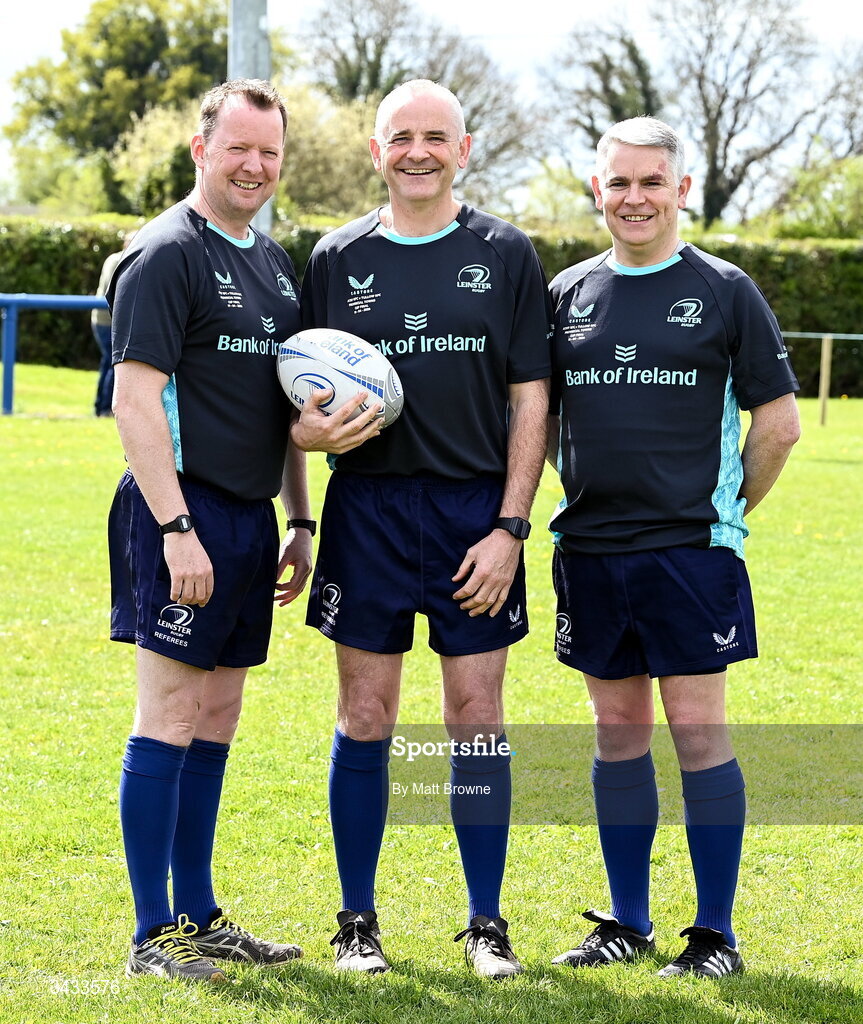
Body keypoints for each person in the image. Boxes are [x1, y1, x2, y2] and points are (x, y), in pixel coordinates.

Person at [289, 79, 552, 979]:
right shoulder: (333, 256)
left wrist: (511, 526)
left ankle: (485, 924)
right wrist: (303, 450)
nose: (417, 151)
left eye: (435, 136)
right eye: (400, 136)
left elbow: (532, 398)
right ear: (375, 150)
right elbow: (292, 395)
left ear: (465, 148)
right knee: (365, 716)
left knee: (475, 717)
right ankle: (356, 921)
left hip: (475, 514)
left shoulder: (507, 253)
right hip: (366, 508)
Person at [547, 116, 800, 978]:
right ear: (595, 190)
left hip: (689, 556)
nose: (634, 197)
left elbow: (778, 425)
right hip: (588, 551)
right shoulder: (566, 294)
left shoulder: (725, 290)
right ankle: (627, 921)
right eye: (617, 182)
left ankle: (714, 935)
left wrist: (726, 510)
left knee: (698, 736)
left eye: (651, 181)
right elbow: (539, 421)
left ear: (680, 189)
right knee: (616, 736)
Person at [107, 78, 313, 983]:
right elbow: (136, 398)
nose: (255, 166)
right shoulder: (166, 254)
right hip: (180, 512)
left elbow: (291, 404)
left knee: (219, 715)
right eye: (239, 148)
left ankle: (199, 914)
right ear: (201, 149)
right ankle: (156, 936)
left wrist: (299, 516)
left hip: (248, 518)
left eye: (269, 152)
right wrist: (175, 526)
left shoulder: (271, 264)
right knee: (171, 713)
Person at [90, 234, 132, 416]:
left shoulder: (112, 258)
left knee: (107, 362)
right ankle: (105, 408)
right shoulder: (123, 260)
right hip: (109, 321)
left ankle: (100, 406)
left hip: (100, 319)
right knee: (115, 365)